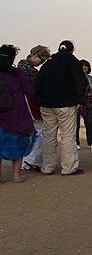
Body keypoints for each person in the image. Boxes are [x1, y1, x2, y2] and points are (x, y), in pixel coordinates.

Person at [34, 40, 88, 176]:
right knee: (68, 136)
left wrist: (39, 100)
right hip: (66, 104)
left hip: (46, 105)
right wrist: (80, 101)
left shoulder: (48, 64)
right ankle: (69, 167)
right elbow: (81, 82)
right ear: (71, 50)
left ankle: (47, 167)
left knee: (48, 136)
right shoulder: (72, 61)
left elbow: (37, 83)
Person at [0, 44, 36, 184]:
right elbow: (30, 92)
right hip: (17, 114)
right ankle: (16, 175)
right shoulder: (18, 73)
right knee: (19, 144)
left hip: (1, 117)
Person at [19, 45, 49, 171]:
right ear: (36, 55)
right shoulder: (29, 70)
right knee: (40, 130)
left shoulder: (22, 66)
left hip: (23, 103)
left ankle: (28, 160)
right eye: (41, 60)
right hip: (29, 103)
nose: (41, 63)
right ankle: (31, 160)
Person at [75, 60, 92, 150]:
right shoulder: (75, 78)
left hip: (88, 103)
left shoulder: (91, 79)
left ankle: (91, 142)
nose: (84, 67)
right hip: (76, 103)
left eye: (86, 66)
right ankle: (76, 143)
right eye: (82, 66)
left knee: (89, 124)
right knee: (76, 125)